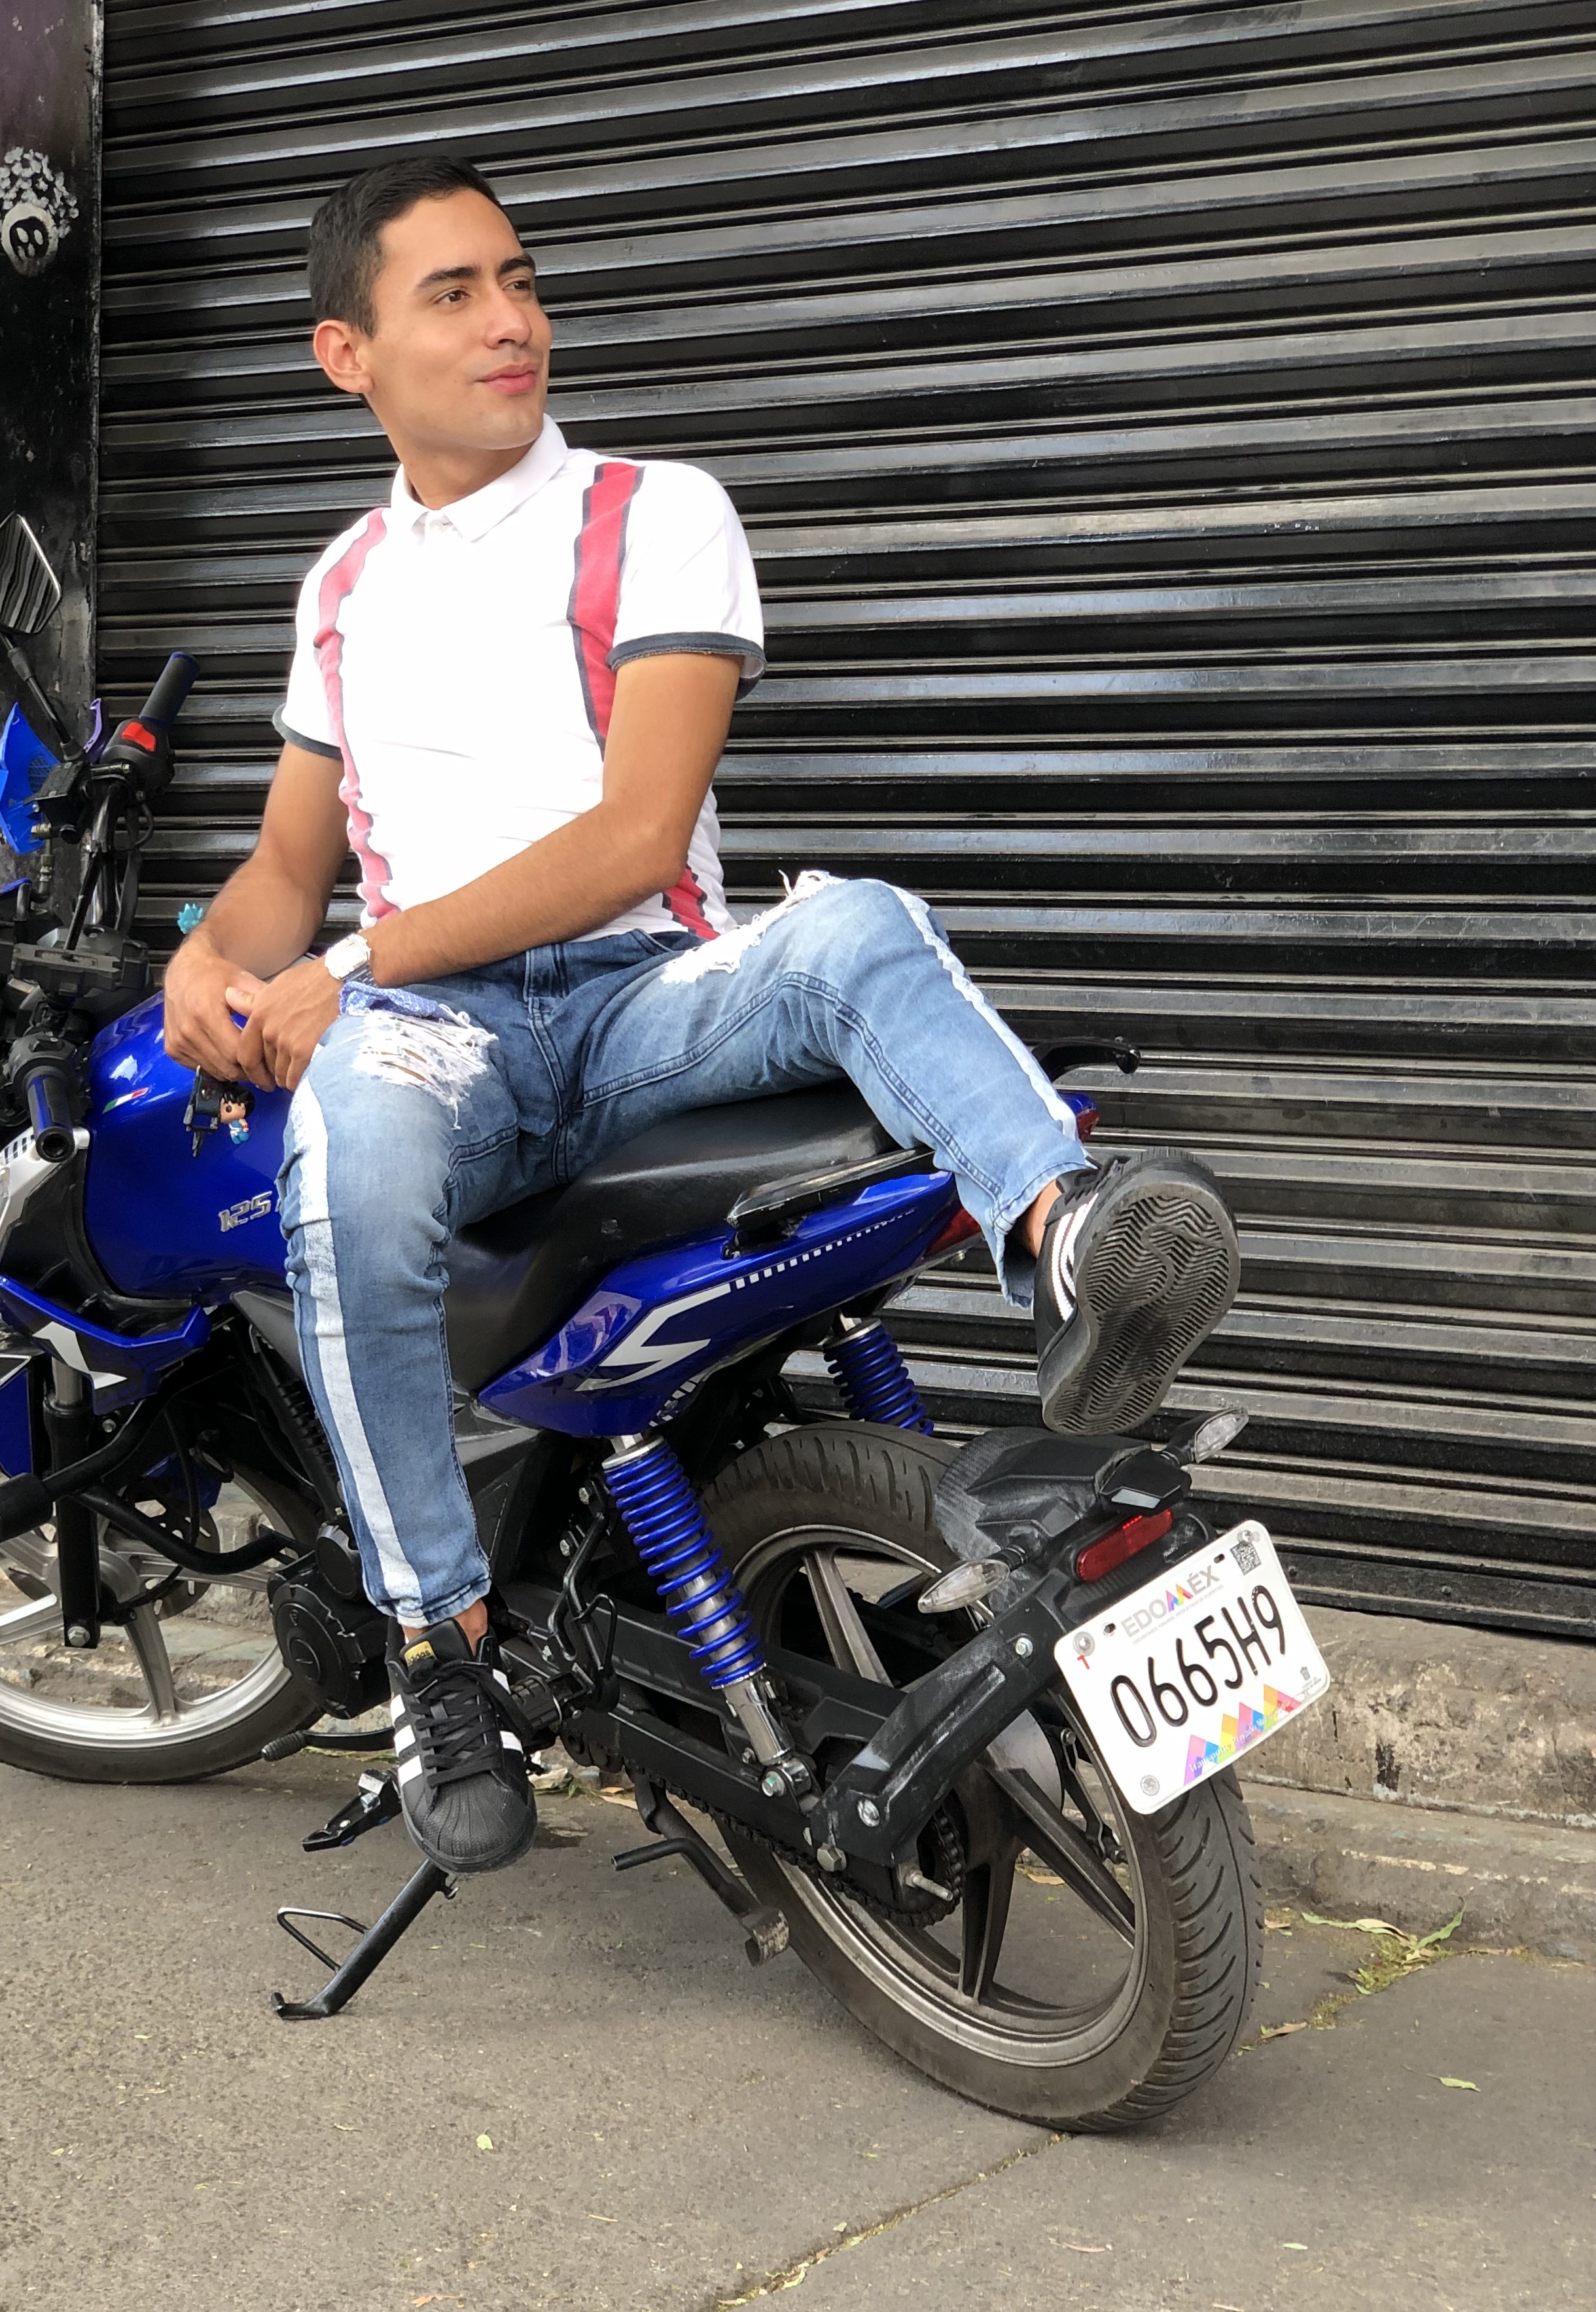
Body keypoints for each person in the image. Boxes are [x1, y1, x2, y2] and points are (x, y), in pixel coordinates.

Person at [162, 156, 1239, 1880]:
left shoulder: (655, 512)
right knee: (347, 1162)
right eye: (454, 293)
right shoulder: (341, 589)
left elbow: (634, 839)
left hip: (646, 995)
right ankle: (441, 1650)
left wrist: (352, 967)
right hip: (439, 1043)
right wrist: (203, 964)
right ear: (345, 354)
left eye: (520, 278)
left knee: (857, 924)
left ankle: (1073, 1234)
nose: (512, 321)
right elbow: (288, 871)